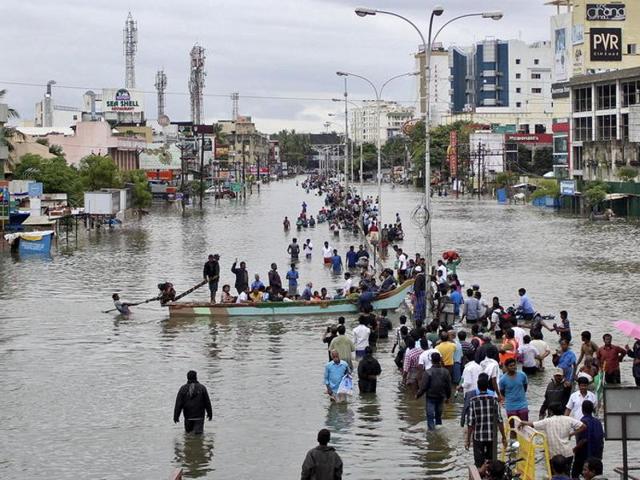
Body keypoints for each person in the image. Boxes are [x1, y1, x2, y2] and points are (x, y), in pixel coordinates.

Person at [521, 404, 586, 469]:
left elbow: (532, 424)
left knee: (554, 475)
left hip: (554, 455)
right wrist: (572, 434)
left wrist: (522, 422)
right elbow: (583, 426)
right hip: (567, 453)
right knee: (567, 475)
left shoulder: (547, 421)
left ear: (551, 412)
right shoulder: (569, 419)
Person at [465, 375, 508, 467]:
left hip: (478, 437)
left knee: (479, 464)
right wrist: (504, 436)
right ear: (487, 386)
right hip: (492, 437)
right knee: (492, 463)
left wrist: (468, 439)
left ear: (478, 386)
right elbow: (499, 420)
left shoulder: (473, 401)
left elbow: (471, 423)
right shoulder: (494, 401)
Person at [416, 352, 451, 431]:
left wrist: (418, 395)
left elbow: (423, 387)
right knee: (438, 417)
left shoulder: (428, 372)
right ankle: (439, 434)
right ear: (440, 360)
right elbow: (448, 386)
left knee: (430, 416)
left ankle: (431, 435)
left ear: (431, 361)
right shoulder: (445, 372)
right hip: (441, 397)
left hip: (430, 398)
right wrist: (448, 397)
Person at [571, 400, 604, 479]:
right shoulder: (598, 422)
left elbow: (583, 440)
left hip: (584, 456)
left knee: (575, 474)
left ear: (582, 410)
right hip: (597, 456)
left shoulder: (582, 422)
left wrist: (574, 450)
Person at [173, 370, 212, 434]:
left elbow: (178, 404)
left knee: (188, 435)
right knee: (198, 436)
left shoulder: (183, 389)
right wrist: (210, 414)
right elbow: (207, 402)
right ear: (196, 377)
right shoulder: (202, 388)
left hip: (188, 417)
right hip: (199, 417)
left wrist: (176, 416)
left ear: (187, 377)